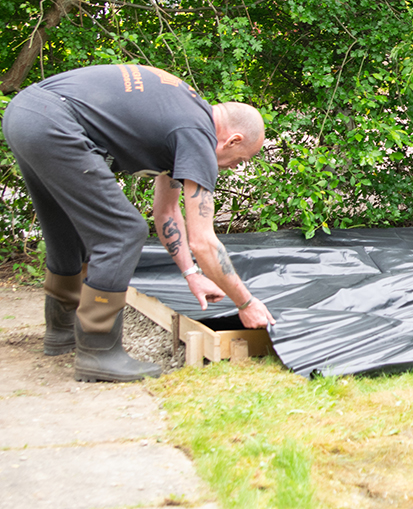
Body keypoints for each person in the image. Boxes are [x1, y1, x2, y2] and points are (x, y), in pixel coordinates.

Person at [2, 63, 275, 382]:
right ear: (233, 139)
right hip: (53, 122)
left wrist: (191, 274)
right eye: (239, 159)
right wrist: (246, 302)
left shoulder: (184, 117)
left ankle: (61, 334)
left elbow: (167, 213)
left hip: (26, 113)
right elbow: (204, 241)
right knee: (123, 232)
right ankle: (99, 352)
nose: (232, 168)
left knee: (67, 228)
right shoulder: (197, 134)